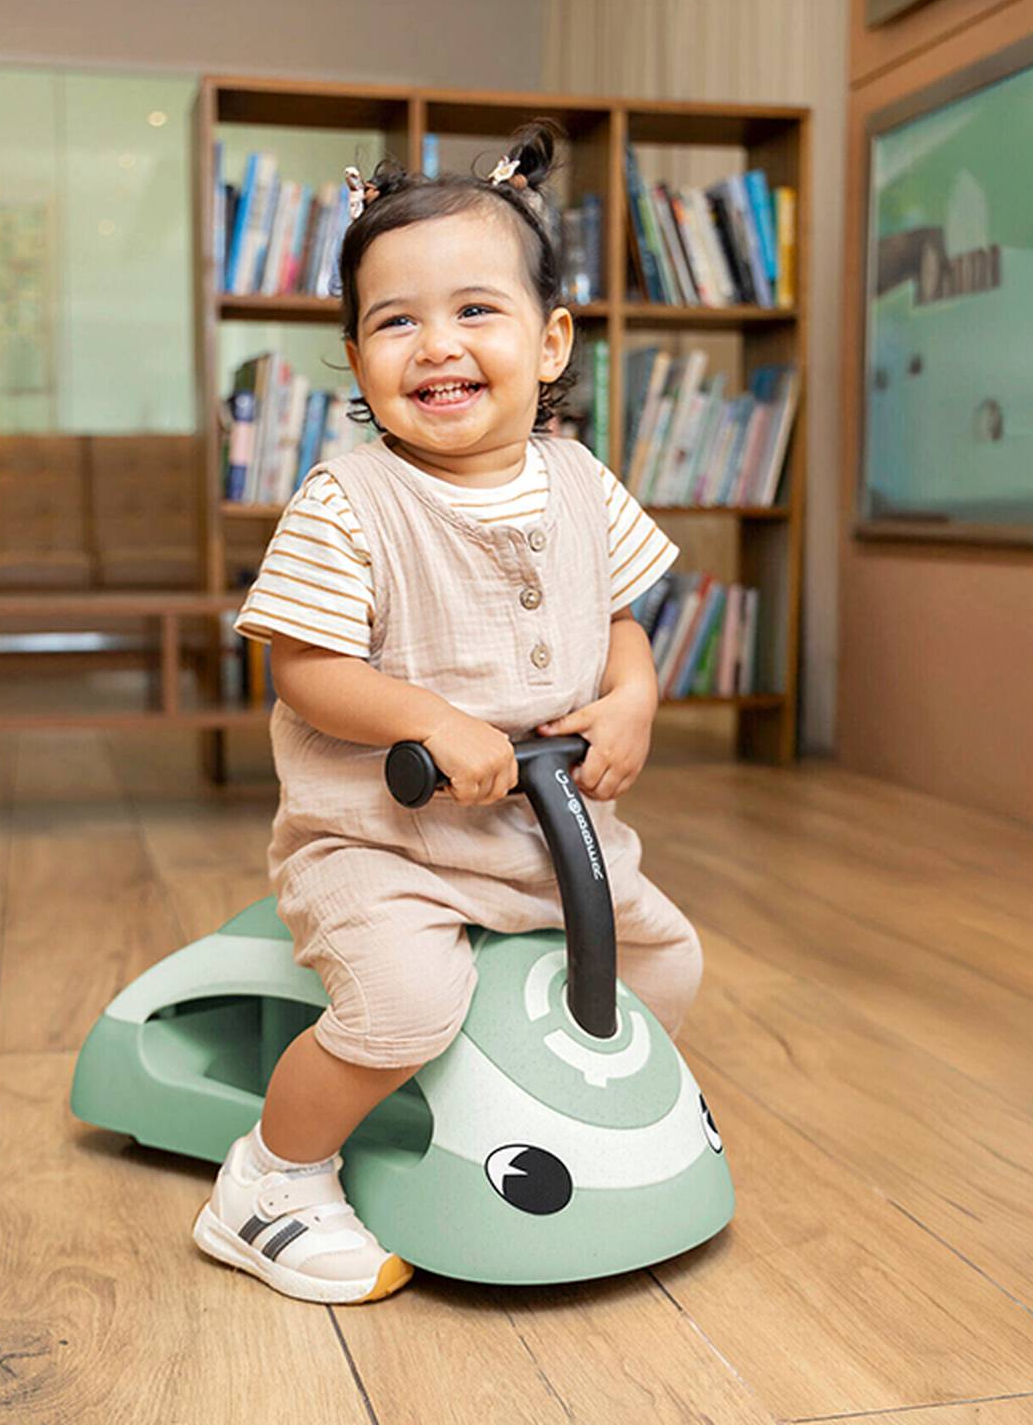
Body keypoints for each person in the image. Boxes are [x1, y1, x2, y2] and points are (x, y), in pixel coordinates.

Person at [193, 120, 704, 1305]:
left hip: (552, 839)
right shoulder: (347, 500)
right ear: (356, 357)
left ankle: (575, 1114)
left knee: (667, 960)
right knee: (403, 1010)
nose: (438, 345)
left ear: (550, 339)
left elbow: (621, 618)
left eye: (476, 310)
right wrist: (427, 719)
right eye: (395, 322)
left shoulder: (580, 478)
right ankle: (270, 1182)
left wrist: (633, 697)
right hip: (388, 849)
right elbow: (306, 667)